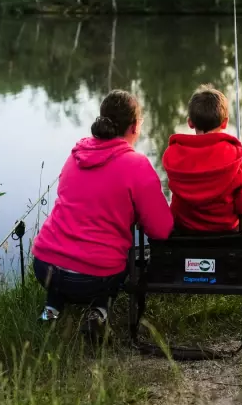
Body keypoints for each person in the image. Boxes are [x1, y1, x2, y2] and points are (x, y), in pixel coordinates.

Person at [32, 90, 173, 336]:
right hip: (92, 278)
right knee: (118, 263)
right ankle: (98, 312)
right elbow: (161, 230)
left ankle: (51, 311)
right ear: (134, 126)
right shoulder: (137, 165)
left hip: (44, 266)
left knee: (65, 260)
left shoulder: (76, 155)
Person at [162, 84, 242, 232]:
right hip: (225, 236)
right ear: (224, 122)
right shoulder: (235, 157)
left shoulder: (174, 155)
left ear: (190, 123)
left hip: (183, 233)